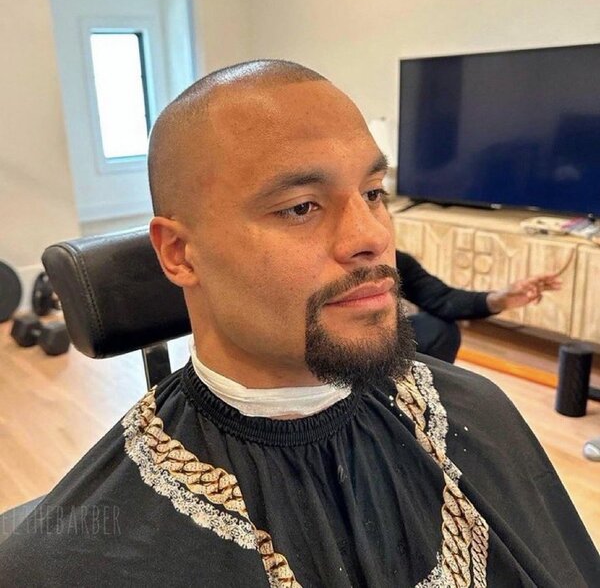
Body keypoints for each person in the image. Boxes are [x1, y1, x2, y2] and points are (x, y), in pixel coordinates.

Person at [0, 60, 597, 587]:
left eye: (373, 192)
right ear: (180, 254)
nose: (371, 236)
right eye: (300, 207)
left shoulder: (479, 411)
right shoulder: (64, 562)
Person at [396, 250, 562, 363]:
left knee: (440, 329)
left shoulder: (398, 261)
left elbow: (443, 299)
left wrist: (500, 299)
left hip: (391, 340)